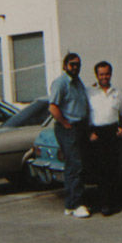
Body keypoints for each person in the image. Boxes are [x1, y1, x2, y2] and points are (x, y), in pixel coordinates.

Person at [48, 52, 91, 218]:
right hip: (69, 128)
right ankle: (76, 204)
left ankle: (71, 203)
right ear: (65, 66)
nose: (75, 67)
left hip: (80, 127)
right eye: (72, 64)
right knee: (75, 165)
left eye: (78, 65)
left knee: (75, 166)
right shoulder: (61, 83)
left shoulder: (78, 82)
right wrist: (66, 124)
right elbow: (53, 107)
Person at [87, 60, 122, 217]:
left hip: (113, 132)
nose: (105, 77)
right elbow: (85, 114)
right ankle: (104, 204)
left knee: (114, 169)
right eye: (101, 74)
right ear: (96, 75)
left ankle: (114, 202)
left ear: (111, 74)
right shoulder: (89, 92)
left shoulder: (118, 93)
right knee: (101, 170)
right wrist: (89, 133)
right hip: (97, 133)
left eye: (107, 73)